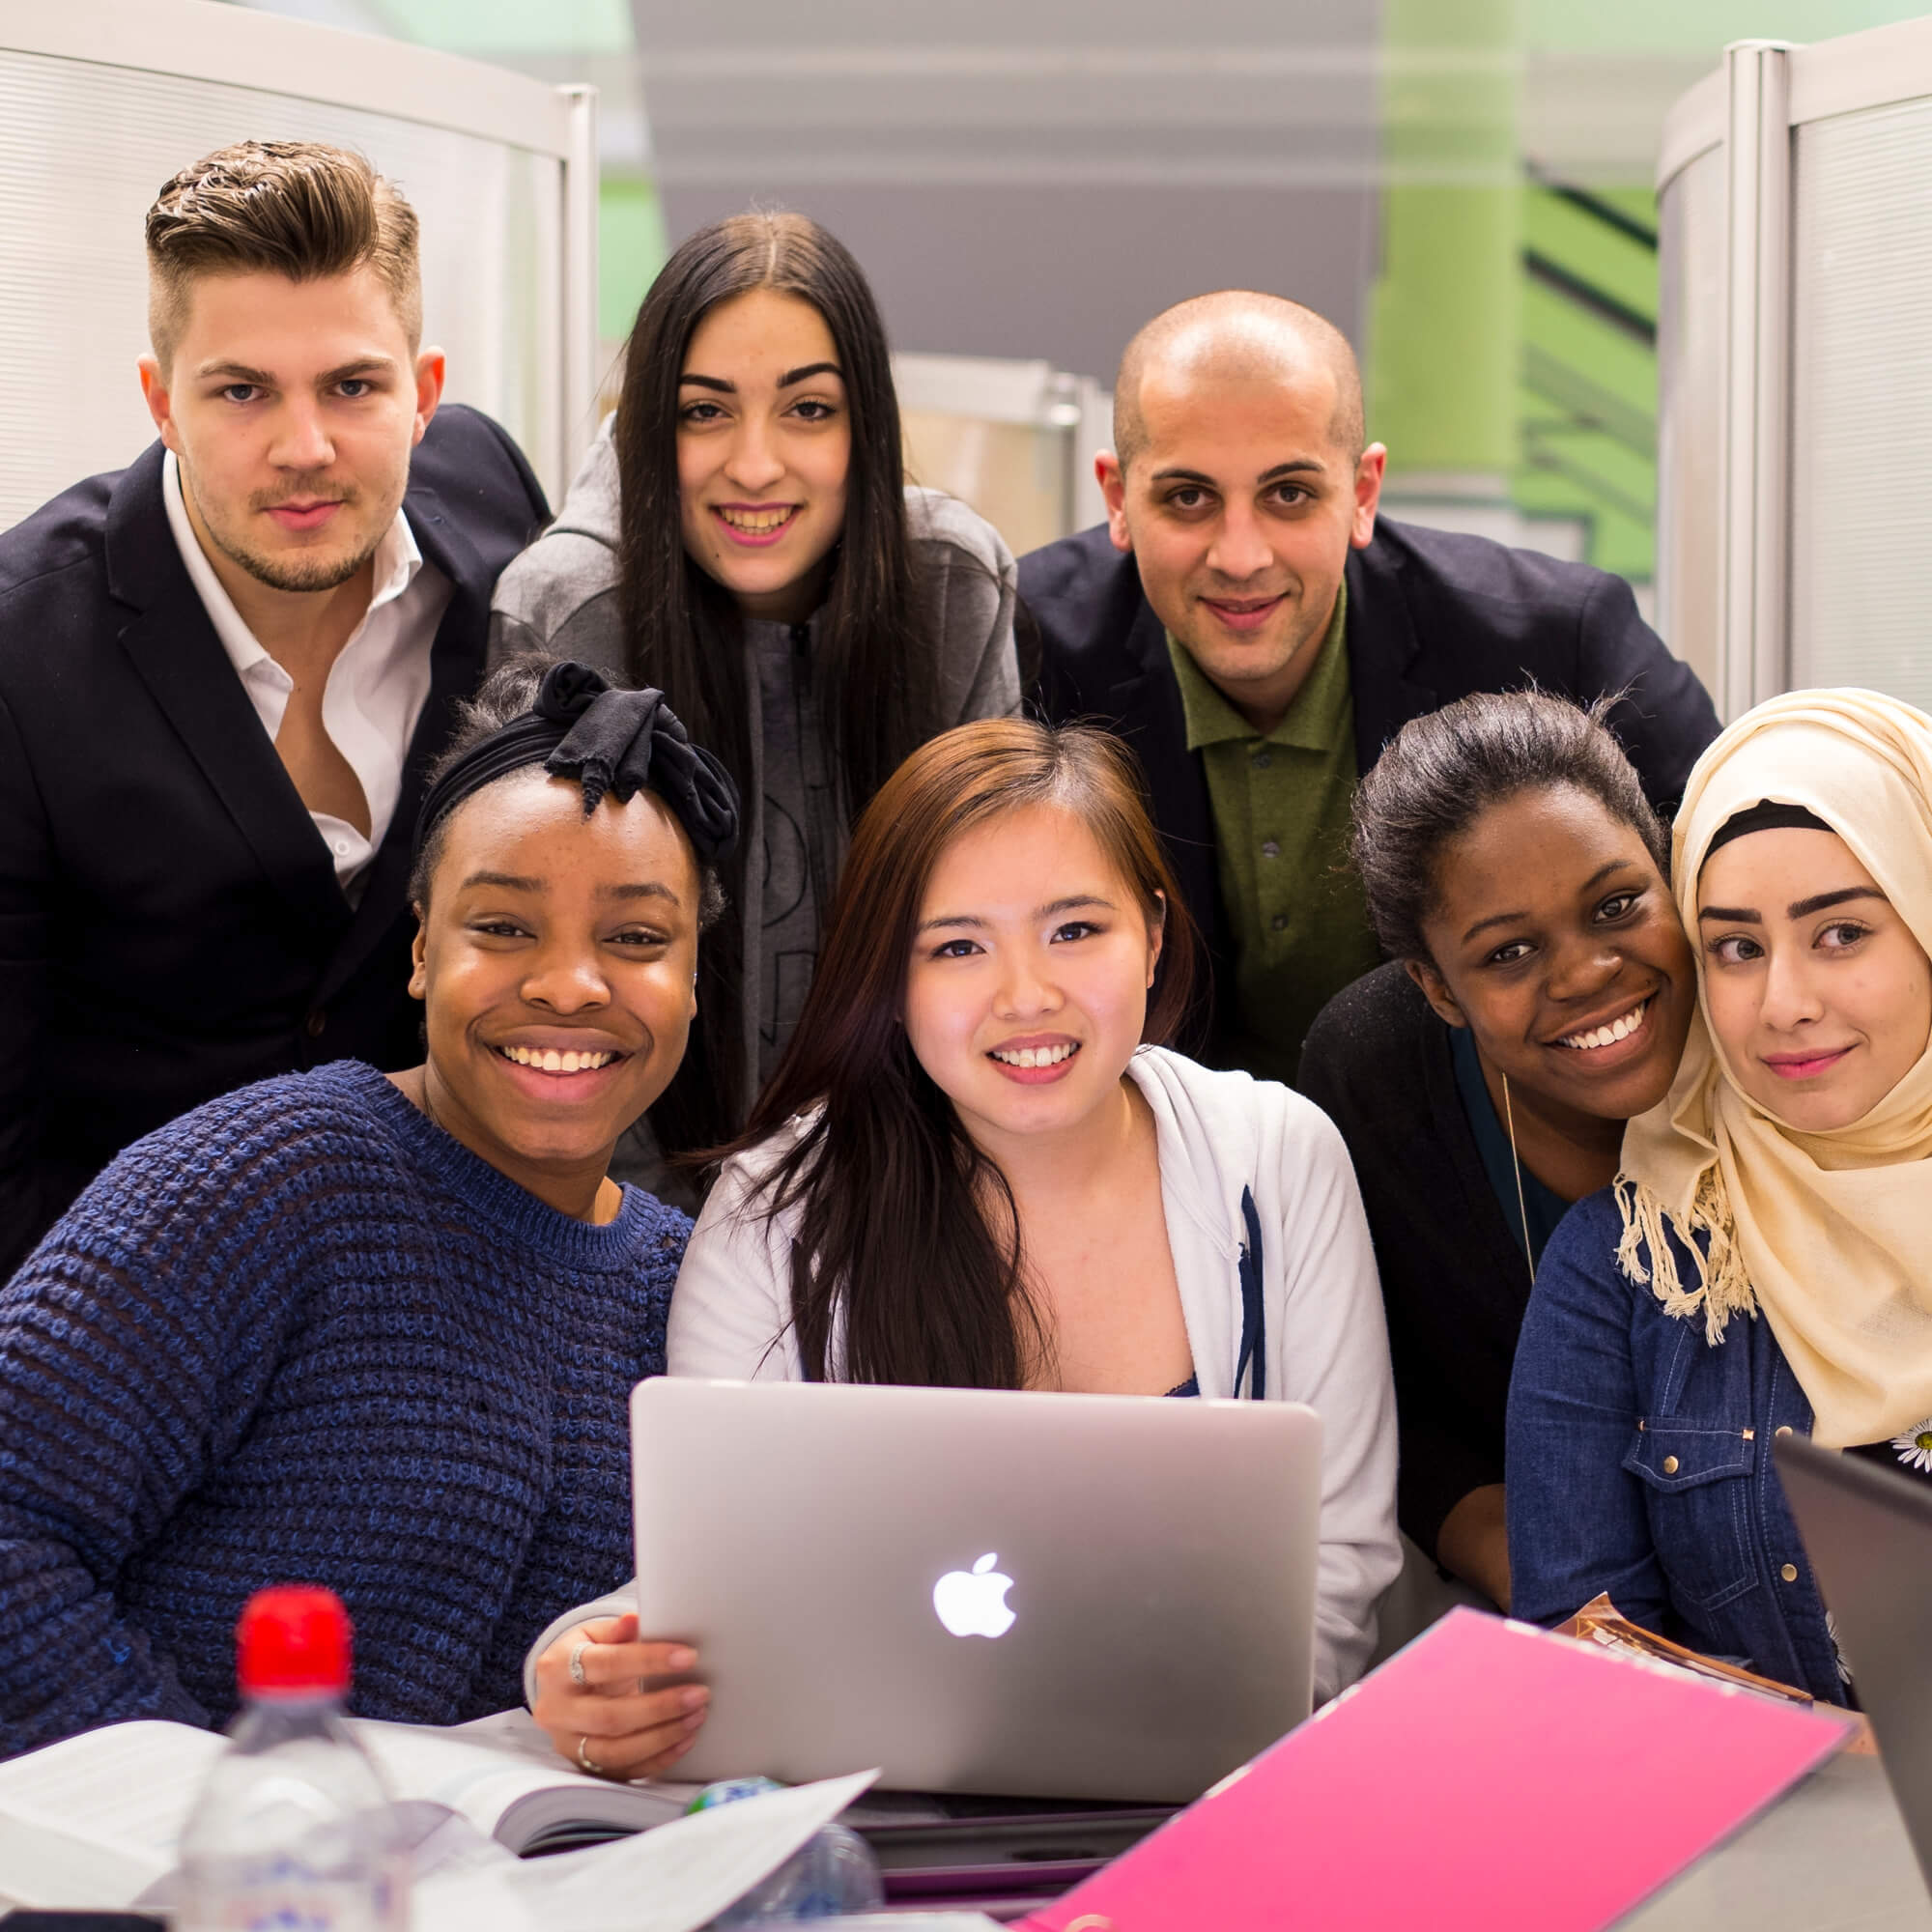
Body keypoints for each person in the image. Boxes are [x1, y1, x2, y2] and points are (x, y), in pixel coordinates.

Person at [522, 718, 1401, 1776]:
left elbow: (1342, 1568)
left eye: (1074, 930)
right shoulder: (774, 1210)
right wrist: (580, 1671)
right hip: (868, 1804)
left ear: (1154, 933)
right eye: (956, 946)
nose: (1024, 995)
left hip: (1208, 1792)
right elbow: (719, 1590)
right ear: (890, 981)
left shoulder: (1279, 1158)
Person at [0, 660, 736, 1759]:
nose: (571, 984)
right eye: (503, 926)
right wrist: (220, 1821)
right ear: (420, 950)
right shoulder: (262, 1181)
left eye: (635, 938)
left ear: (690, 978)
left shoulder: (700, 1288)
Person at [0, 140, 550, 1277]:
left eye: (353, 387)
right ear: (160, 401)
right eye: (241, 390)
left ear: (426, 392)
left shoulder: (497, 514)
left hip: (450, 1273)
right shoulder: (19, 649)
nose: (304, 449)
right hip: (121, 1313)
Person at [1021, 289, 1720, 1083]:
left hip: (1489, 1142)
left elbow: (1734, 868)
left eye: (1289, 493)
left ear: (1362, 493)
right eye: (1189, 498)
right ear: (1117, 499)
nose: (1241, 555)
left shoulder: (1555, 637)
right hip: (1169, 1156)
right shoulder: (1029, 649)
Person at [492, 211, 1020, 1199]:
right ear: (654, 426)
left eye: (807, 410)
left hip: (909, 1203)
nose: (754, 464)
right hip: (633, 1213)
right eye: (705, 412)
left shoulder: (952, 583)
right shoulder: (573, 606)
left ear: (865, 424)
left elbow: (992, 943)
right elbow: (561, 992)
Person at [1508, 688, 1932, 1705]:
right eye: (1735, 947)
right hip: (1771, 1844)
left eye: (1839, 933)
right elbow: (1585, 1663)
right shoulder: (1627, 1268)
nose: (1784, 1001)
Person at [1297, 693, 1696, 1610]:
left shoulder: (1775, 1033)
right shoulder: (1375, 1075)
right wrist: (1542, 1571)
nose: (1587, 974)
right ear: (1436, 988)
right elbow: (1381, 1391)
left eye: (1618, 905)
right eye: (1509, 953)